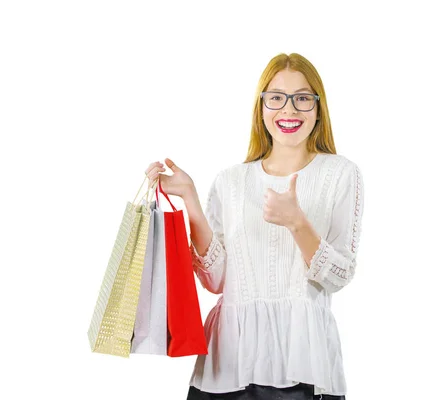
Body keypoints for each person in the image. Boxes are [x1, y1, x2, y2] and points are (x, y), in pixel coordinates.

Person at [144, 53, 363, 400]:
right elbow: (216, 281)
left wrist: (296, 222)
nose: (289, 110)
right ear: (261, 107)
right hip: (227, 365)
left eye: (303, 98)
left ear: (318, 108)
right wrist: (191, 200)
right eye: (276, 98)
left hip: (301, 364)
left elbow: (339, 275)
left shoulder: (340, 173)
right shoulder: (231, 180)